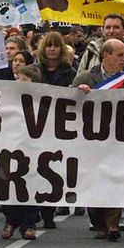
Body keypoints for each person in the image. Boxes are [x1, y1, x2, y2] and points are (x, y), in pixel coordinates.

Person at [74, 39, 124, 242]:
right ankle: (99, 223)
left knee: (114, 179)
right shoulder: (87, 76)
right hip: (90, 140)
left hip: (116, 139)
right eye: (120, 55)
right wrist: (79, 92)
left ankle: (112, 225)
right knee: (94, 181)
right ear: (106, 55)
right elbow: (66, 101)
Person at [36, 31, 75, 228]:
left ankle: (49, 212)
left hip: (59, 126)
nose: (52, 49)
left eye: (56, 45)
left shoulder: (70, 72)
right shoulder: (35, 71)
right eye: (48, 45)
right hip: (35, 126)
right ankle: (36, 211)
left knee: (53, 169)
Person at [1, 64, 41, 241]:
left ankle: (29, 224)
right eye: (18, 79)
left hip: (33, 149)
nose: (20, 82)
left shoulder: (42, 101)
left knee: (31, 185)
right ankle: (11, 220)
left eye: (25, 80)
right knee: (9, 184)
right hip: (11, 148)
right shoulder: (8, 99)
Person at [77, 14, 124, 87]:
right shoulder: (91, 51)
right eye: (108, 27)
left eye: (116, 27)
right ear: (102, 30)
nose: (111, 31)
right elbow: (78, 81)